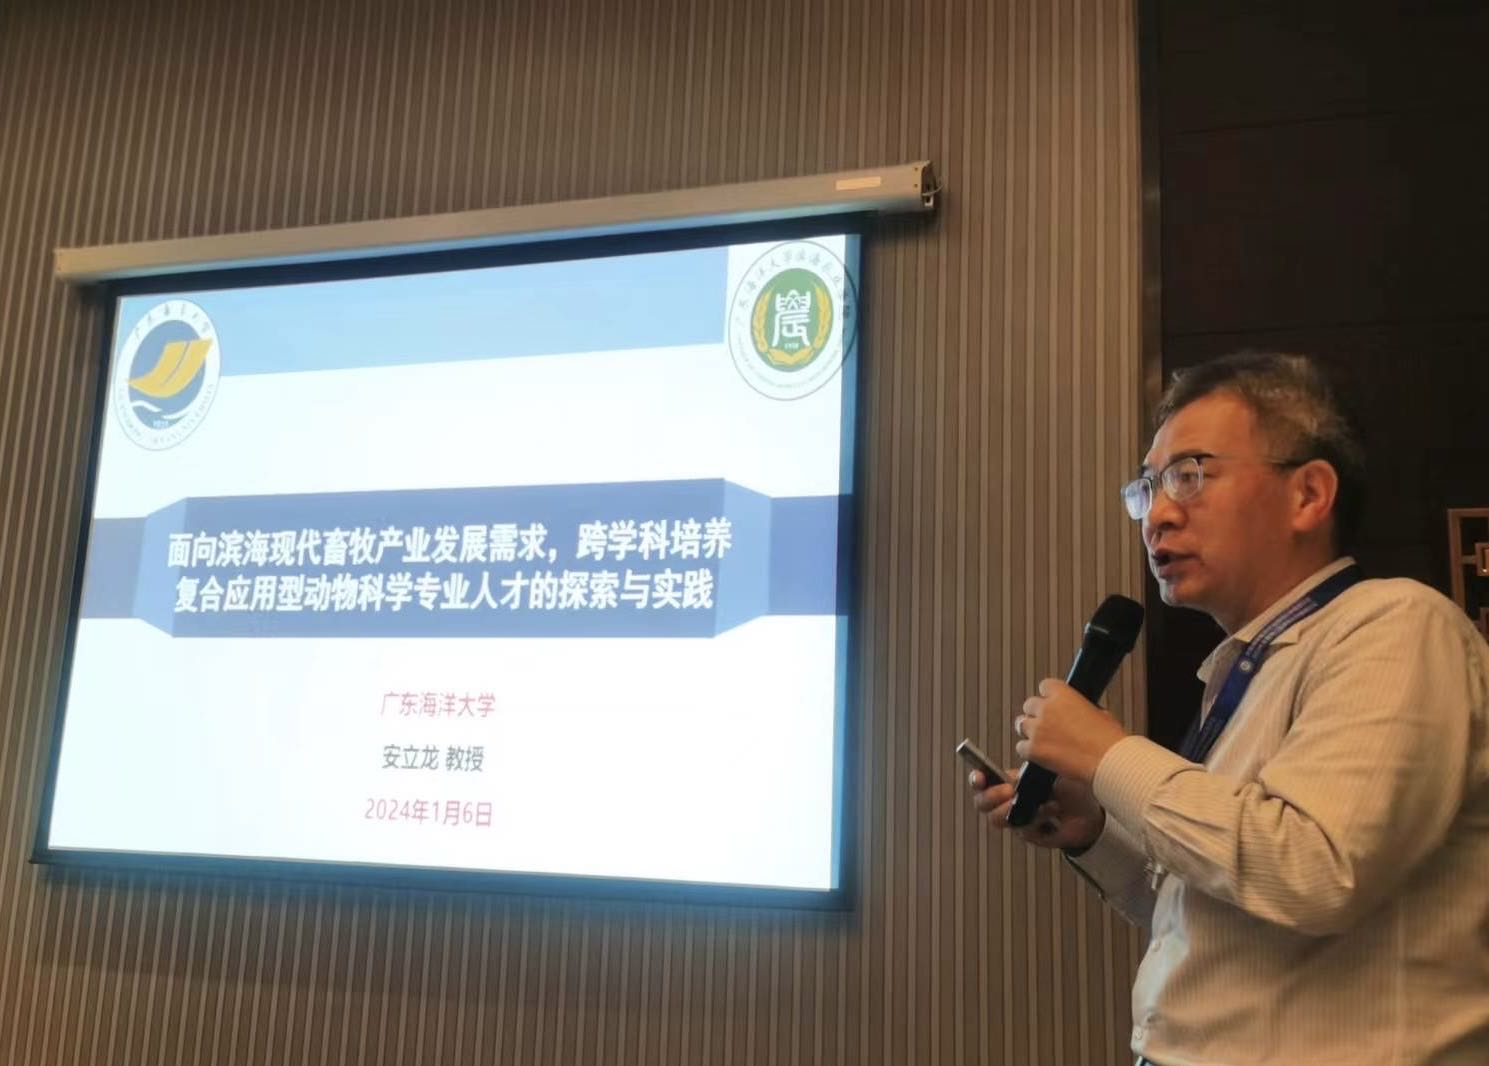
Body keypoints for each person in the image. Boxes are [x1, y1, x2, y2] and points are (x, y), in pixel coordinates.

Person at [969, 352, 1489, 1065]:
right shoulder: (1250, 667)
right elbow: (1208, 916)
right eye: (1147, 487)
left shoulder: (1396, 625)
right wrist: (1092, 832)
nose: (1157, 515)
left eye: (1189, 475)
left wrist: (1109, 755)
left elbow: (1315, 872)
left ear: (1308, 494)